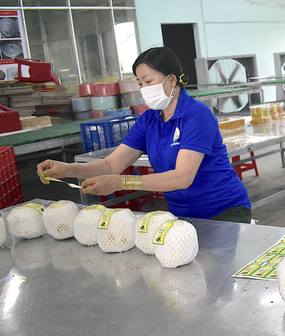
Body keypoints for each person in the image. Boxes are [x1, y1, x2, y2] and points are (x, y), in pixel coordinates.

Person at [38, 47, 252, 223]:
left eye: (148, 82)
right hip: (183, 214)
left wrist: (121, 183)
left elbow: (183, 177)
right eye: (140, 83)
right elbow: (111, 165)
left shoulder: (196, 114)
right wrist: (67, 169)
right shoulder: (149, 120)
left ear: (171, 80)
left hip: (224, 211)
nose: (143, 89)